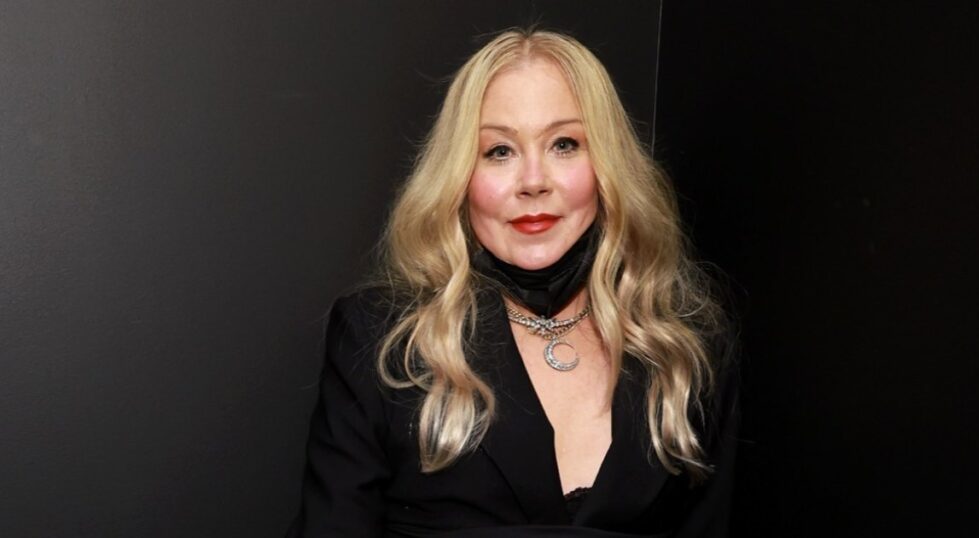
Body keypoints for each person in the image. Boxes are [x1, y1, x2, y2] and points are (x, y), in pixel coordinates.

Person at [286, 28, 739, 538]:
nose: (533, 181)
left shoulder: (688, 347)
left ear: (607, 164)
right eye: (499, 151)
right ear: (459, 174)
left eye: (564, 144)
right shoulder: (381, 337)